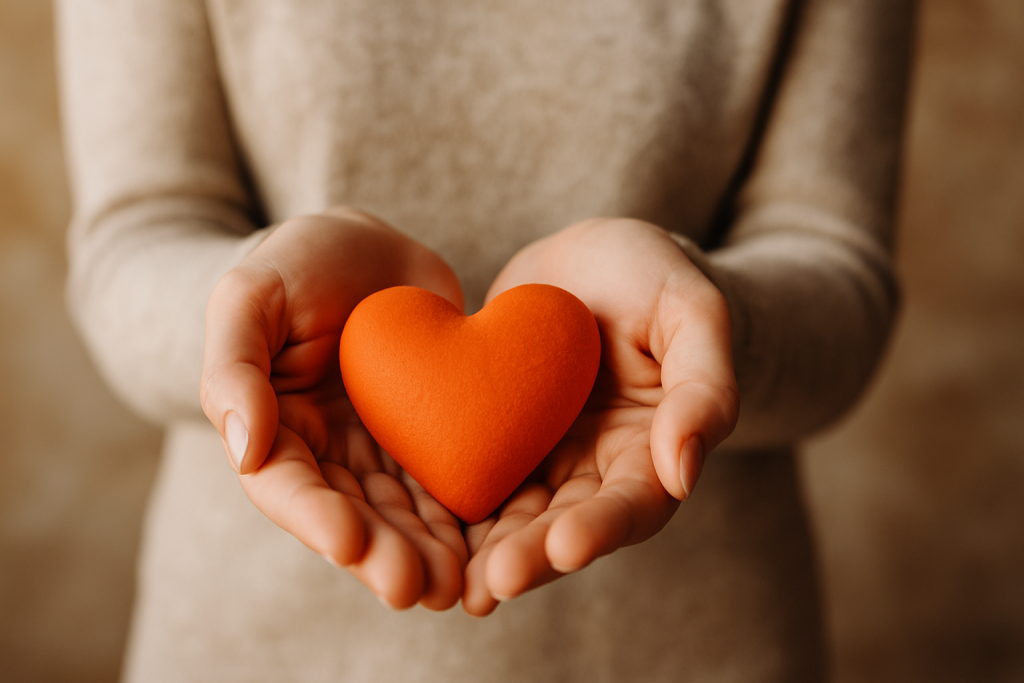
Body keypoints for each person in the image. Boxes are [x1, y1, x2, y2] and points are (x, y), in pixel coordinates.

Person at [57, 0, 913, 680]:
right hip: (255, 644)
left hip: (698, 645)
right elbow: (136, 235)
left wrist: (704, 319)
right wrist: (247, 317)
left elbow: (837, 264)